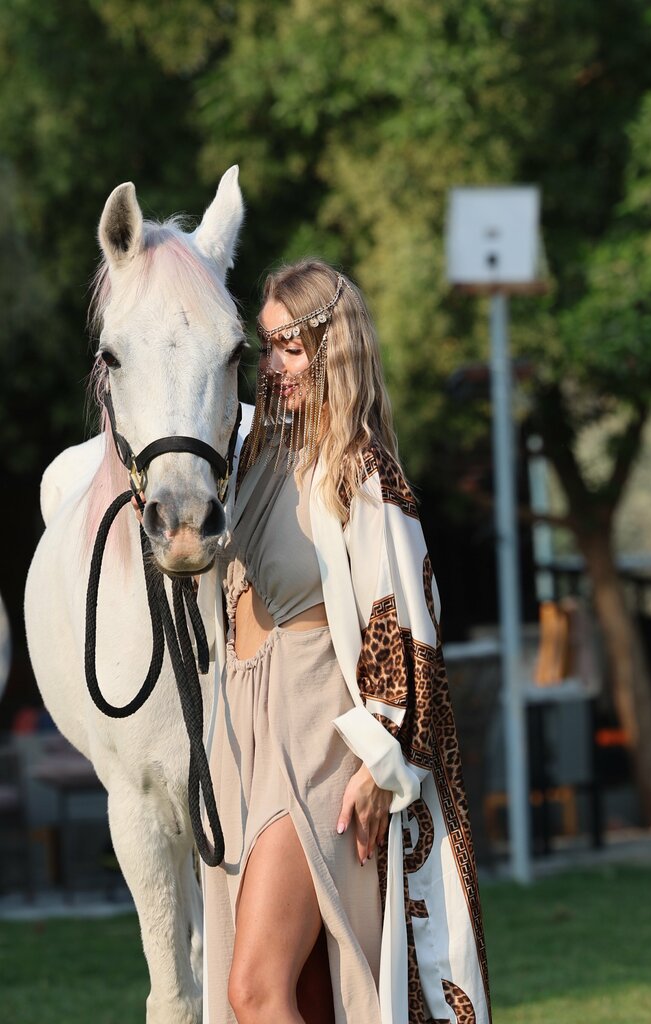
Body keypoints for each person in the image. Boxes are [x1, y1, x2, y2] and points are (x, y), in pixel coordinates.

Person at [200, 259, 491, 1024]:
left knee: (255, 989)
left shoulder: (362, 476)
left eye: (290, 348)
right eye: (265, 348)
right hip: (240, 740)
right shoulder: (255, 461)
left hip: (315, 749)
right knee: (283, 994)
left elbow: (410, 637)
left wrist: (378, 761)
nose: (272, 367)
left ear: (335, 348)